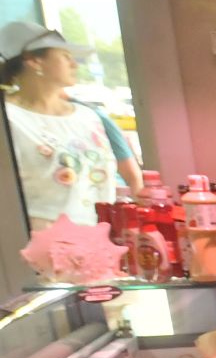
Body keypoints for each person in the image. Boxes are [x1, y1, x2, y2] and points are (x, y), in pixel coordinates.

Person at [1, 21, 142, 230]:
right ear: (34, 61)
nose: (74, 64)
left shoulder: (88, 116)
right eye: (65, 56)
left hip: (102, 239)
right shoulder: (9, 119)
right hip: (38, 246)